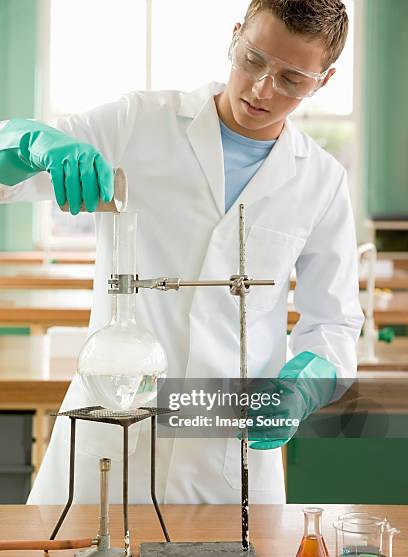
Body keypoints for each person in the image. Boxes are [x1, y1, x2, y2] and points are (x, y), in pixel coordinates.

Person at [0, 0, 363, 504]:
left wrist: (302, 389)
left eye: (291, 79)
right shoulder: (138, 122)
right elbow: (6, 177)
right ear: (235, 36)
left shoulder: (321, 180)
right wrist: (28, 144)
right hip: (109, 428)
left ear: (322, 81)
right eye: (253, 60)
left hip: (225, 450)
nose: (262, 90)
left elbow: (335, 324)